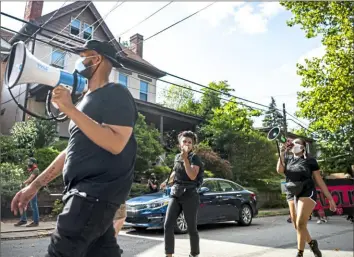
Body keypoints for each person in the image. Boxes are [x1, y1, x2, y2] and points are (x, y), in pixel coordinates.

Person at [11, 39, 138, 257]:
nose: (78, 62)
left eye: (83, 56)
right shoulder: (84, 101)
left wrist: (70, 109)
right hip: (91, 199)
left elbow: (116, 143)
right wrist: (35, 186)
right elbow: (70, 152)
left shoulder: (116, 93)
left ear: (95, 60)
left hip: (92, 195)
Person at [277, 138, 337, 257]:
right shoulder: (287, 158)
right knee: (297, 225)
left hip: (307, 191)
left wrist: (330, 198)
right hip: (292, 192)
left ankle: (300, 253)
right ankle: (312, 243)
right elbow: (279, 170)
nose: (295, 144)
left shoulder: (310, 160)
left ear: (303, 147)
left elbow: (319, 180)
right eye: (294, 143)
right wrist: (282, 152)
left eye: (298, 143)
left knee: (300, 223)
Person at [164, 131, 204, 257]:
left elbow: (192, 176)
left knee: (191, 227)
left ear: (192, 145)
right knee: (168, 225)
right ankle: (168, 254)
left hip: (190, 195)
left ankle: (194, 254)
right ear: (180, 144)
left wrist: (186, 158)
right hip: (176, 193)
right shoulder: (177, 157)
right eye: (184, 141)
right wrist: (166, 182)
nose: (187, 144)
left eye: (189, 142)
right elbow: (175, 172)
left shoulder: (194, 158)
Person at [14, 157, 40, 227]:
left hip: (33, 189)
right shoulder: (31, 170)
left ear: (34, 163)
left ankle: (36, 222)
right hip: (28, 189)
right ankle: (23, 220)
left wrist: (23, 183)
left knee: (33, 205)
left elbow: (30, 179)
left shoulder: (36, 170)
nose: (29, 163)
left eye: (30, 162)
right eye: (28, 162)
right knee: (22, 203)